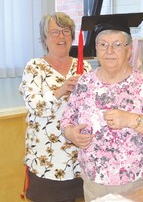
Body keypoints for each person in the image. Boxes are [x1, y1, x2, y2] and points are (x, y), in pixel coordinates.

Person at [60, 12, 143, 201]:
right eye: (103, 45)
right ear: (96, 49)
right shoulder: (85, 82)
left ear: (129, 51)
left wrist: (130, 119)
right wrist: (71, 133)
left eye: (117, 45)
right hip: (94, 178)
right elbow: (66, 119)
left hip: (132, 180)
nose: (109, 51)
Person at [19, 12, 92, 202]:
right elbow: (35, 106)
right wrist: (60, 91)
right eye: (54, 32)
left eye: (66, 31)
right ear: (45, 38)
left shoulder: (85, 68)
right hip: (47, 163)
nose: (61, 36)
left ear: (73, 36)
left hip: (80, 161)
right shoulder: (34, 67)